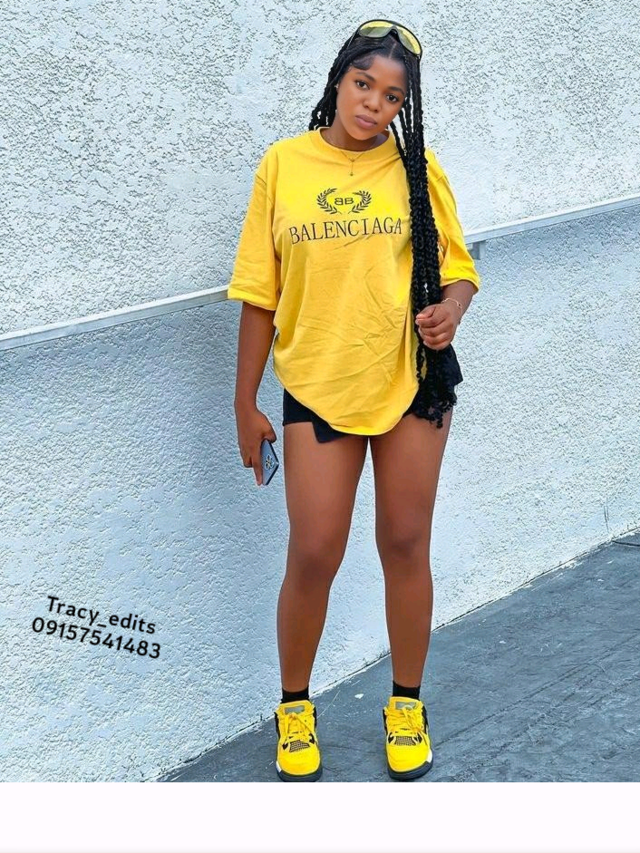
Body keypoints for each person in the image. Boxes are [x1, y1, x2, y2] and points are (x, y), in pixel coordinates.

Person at [228, 19, 481, 782]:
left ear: (405, 106)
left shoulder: (416, 170)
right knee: (314, 551)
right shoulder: (284, 165)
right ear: (339, 81)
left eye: (392, 96)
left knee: (405, 542)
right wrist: (245, 402)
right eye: (364, 84)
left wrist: (452, 309)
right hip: (317, 383)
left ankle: (406, 704)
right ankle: (294, 709)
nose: (374, 104)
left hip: (411, 380)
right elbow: (259, 292)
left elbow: (460, 268)